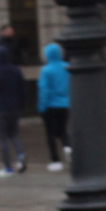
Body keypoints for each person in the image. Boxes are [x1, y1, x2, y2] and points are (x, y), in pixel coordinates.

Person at [0, 43, 26, 176]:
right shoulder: (16, 70)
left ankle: (8, 167)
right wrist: (21, 106)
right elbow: (22, 90)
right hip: (14, 108)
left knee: (2, 139)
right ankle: (20, 155)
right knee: (14, 134)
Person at [37, 42, 71, 171]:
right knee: (62, 130)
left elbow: (43, 90)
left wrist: (41, 107)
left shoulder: (46, 70)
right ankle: (68, 147)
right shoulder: (66, 67)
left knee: (50, 133)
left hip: (50, 106)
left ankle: (55, 160)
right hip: (65, 104)